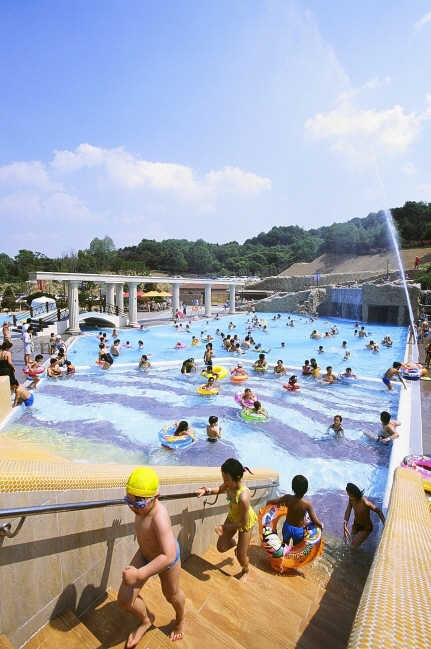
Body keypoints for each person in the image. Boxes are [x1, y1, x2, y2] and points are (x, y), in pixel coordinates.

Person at [117, 467, 185, 646]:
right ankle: (146, 620)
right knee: (124, 600)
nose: (133, 507)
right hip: (145, 554)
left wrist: (139, 574)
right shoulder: (141, 510)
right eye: (128, 501)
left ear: (156, 497)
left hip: (167, 561)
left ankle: (180, 619)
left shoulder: (159, 516)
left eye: (138, 504)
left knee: (171, 595)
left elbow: (169, 555)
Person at [196, 458, 257, 584]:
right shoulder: (229, 485)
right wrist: (206, 490)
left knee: (241, 556)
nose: (225, 482)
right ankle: (238, 542)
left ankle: (246, 570)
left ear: (237, 478)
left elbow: (243, 522)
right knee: (221, 547)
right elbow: (219, 489)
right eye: (224, 479)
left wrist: (224, 528)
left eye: (227, 479)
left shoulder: (244, 496)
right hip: (233, 517)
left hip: (245, 522)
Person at [266, 475, 323, 546]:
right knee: (296, 547)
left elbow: (275, 501)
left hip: (287, 527)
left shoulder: (288, 498)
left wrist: (267, 503)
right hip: (298, 530)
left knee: (285, 544)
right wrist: (321, 525)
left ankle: (284, 551)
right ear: (306, 489)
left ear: (292, 487)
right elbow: (314, 521)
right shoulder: (307, 505)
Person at [343, 482, 385, 548]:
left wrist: (385, 524)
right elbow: (348, 511)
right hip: (356, 525)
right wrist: (345, 525)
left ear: (355, 494)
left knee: (352, 545)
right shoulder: (351, 499)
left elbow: (379, 511)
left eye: (350, 495)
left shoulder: (366, 503)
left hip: (366, 528)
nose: (349, 496)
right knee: (348, 541)